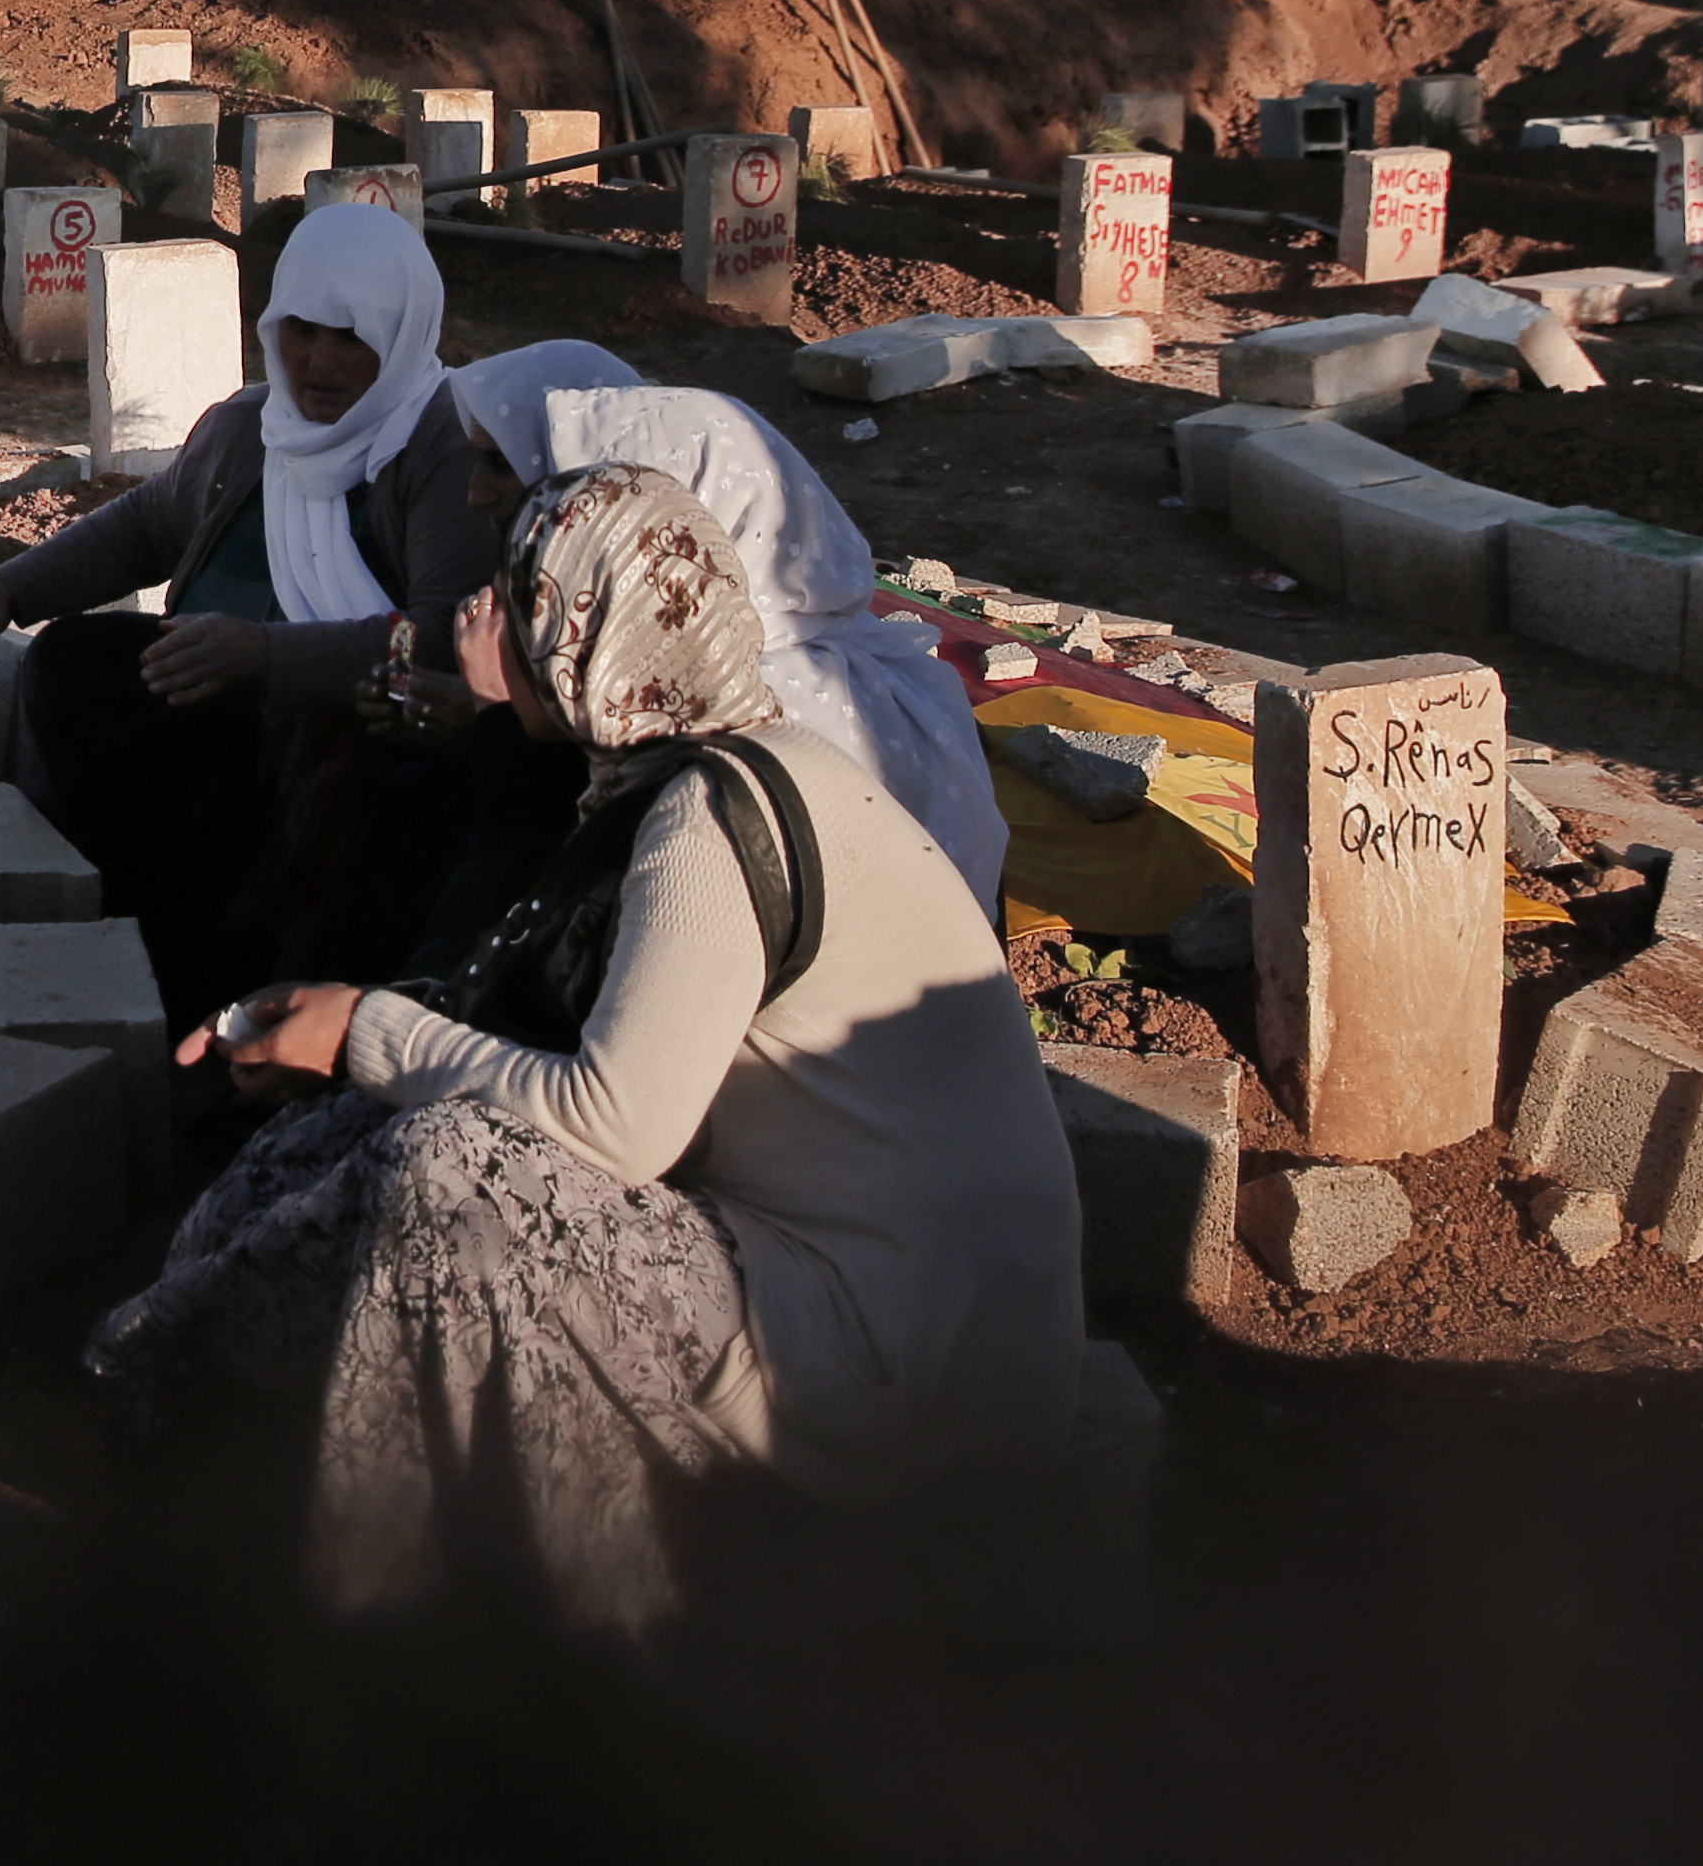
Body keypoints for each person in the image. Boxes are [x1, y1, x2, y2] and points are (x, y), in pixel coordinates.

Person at [84, 460, 1083, 1634]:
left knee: (456, 1169)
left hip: (899, 1360)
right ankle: (174, 1373)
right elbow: (503, 1008)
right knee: (387, 1113)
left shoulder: (714, 816)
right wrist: (333, 1027)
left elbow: (615, 1122)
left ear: (585, 639)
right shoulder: (671, 776)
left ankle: (410, 1611)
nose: (473, 609)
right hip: (854, 1295)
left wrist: (363, 1028)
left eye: (514, 592)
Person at [0, 201, 495, 1015]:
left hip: (353, 734)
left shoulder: (440, 449)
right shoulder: (250, 428)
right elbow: (147, 524)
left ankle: (261, 1006)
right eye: (302, 330)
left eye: (351, 338)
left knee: (353, 765)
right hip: (218, 709)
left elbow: (440, 643)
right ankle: (114, 939)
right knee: (72, 668)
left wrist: (267, 658)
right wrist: (11, 591)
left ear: (402, 335)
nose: (320, 362)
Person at [382, 347, 1009, 920]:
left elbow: (559, 908)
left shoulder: (741, 711)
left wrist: (502, 718)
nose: (474, 495)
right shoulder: (816, 676)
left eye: (504, 465)